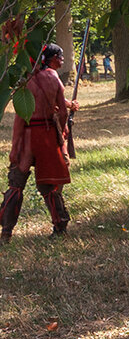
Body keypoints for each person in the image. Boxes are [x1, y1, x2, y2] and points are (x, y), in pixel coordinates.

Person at [2, 45, 79, 242]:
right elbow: (62, 112)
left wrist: (14, 146)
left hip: (27, 136)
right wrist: (61, 130)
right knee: (49, 185)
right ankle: (60, 226)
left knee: (16, 184)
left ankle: (6, 233)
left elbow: (21, 118)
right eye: (61, 57)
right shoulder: (54, 78)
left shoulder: (25, 81)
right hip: (46, 135)